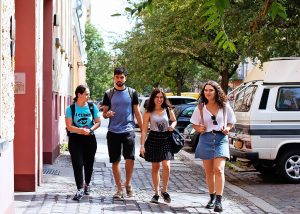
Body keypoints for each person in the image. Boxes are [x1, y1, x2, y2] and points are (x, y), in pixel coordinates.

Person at [190, 81, 236, 212]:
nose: (208, 92)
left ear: (216, 91)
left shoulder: (225, 106)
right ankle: (212, 197)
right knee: (209, 172)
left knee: (219, 170)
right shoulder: (200, 107)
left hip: (221, 139)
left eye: (210, 90)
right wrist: (199, 127)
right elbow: (194, 123)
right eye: (205, 90)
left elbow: (231, 122)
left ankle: (219, 201)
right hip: (205, 139)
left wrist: (227, 128)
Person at [102, 67, 143, 199]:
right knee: (115, 160)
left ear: (125, 78)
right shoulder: (109, 93)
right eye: (117, 77)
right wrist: (107, 114)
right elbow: (104, 113)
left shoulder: (132, 93)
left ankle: (128, 184)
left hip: (128, 131)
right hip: (113, 131)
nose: (119, 79)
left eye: (122, 77)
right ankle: (119, 189)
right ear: (114, 78)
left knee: (130, 158)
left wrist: (143, 131)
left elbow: (137, 112)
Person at [140, 88, 177, 204]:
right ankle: (156, 193)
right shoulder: (148, 111)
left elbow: (174, 120)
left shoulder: (168, 109)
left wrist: (172, 126)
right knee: (155, 167)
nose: (159, 99)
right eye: (157, 97)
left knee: (166, 165)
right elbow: (144, 130)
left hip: (166, 138)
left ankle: (164, 191)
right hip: (153, 139)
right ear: (153, 98)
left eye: (161, 97)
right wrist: (142, 145)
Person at [65, 85, 101, 201]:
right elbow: (69, 126)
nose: (88, 96)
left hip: (90, 139)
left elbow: (98, 122)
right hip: (75, 140)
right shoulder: (70, 109)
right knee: (77, 164)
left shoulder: (92, 107)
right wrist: (81, 130)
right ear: (79, 95)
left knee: (89, 164)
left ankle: (87, 185)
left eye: (88, 94)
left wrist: (90, 130)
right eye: (86, 94)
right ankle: (79, 188)